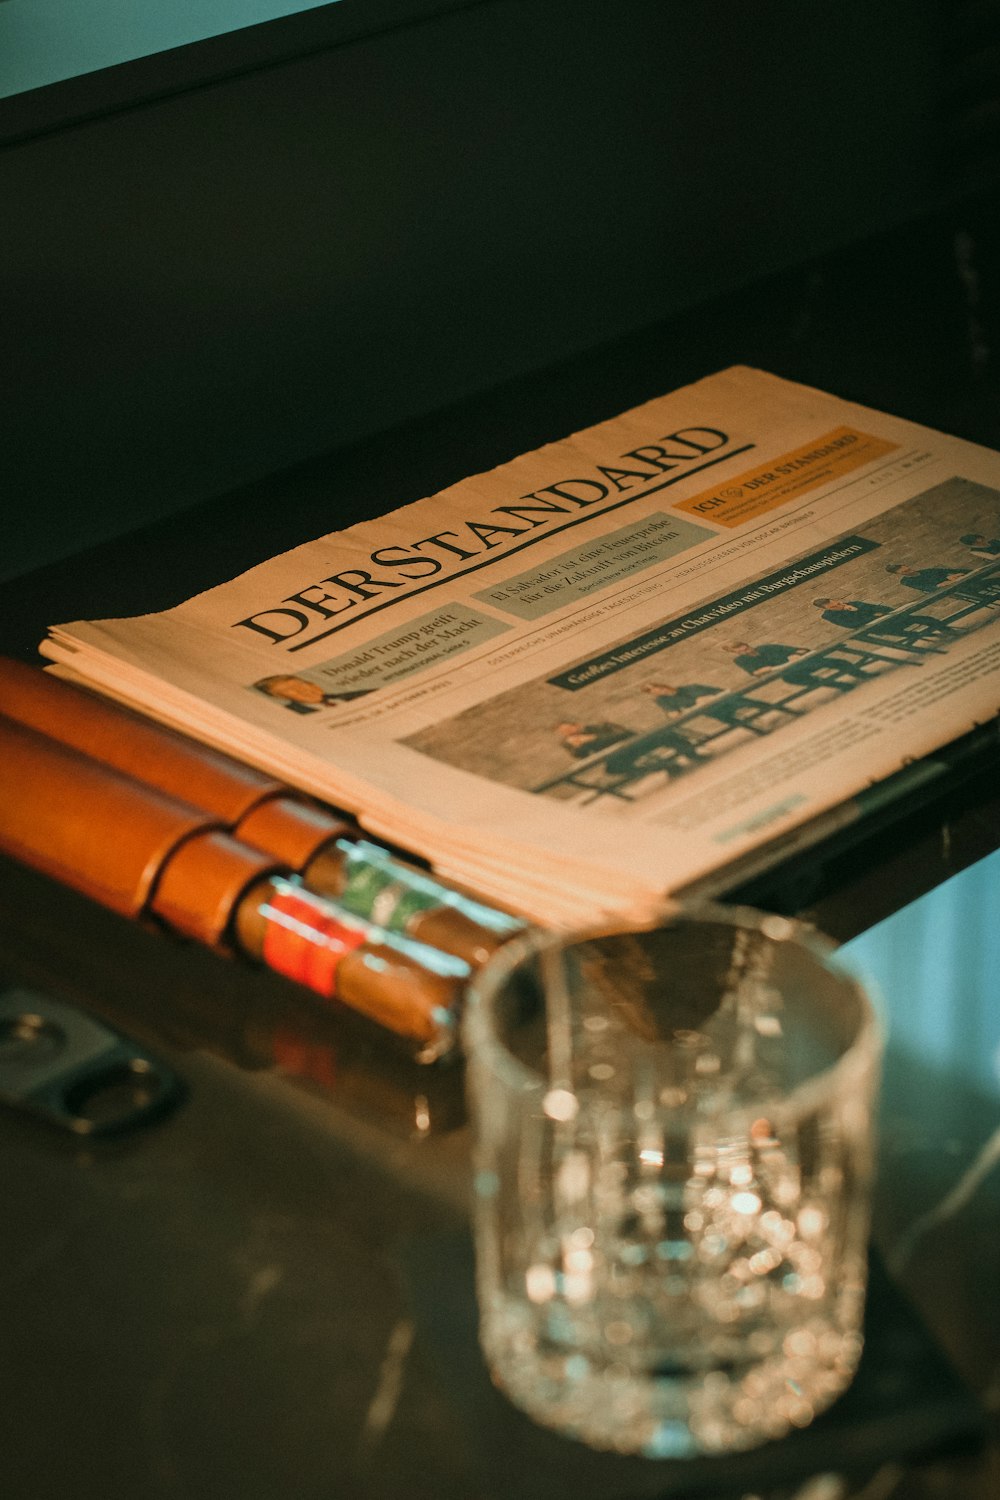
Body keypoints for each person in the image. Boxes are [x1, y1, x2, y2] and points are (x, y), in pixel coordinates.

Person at [641, 679, 773, 733]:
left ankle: (771, 710)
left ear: (662, 685)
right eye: (653, 691)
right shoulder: (664, 701)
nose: (658, 691)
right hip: (712, 711)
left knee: (738, 701)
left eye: (657, 687)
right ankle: (756, 728)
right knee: (719, 715)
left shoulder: (691, 687)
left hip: (722, 702)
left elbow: (719, 691)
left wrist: (707, 697)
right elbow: (674, 714)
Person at [811, 596, 959, 642]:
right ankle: (928, 636)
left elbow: (883, 609)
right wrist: (855, 613)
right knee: (908, 634)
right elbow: (852, 625)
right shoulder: (829, 616)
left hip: (892, 619)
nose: (838, 606)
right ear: (825, 609)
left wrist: (858, 609)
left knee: (924, 618)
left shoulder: (854, 603)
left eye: (837, 603)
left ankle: (947, 630)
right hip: (880, 627)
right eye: (834, 607)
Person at [885, 562, 1000, 605]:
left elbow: (950, 571)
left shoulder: (926, 571)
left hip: (964, 583)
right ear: (899, 574)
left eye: (908, 568)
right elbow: (925, 588)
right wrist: (938, 585)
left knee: (995, 580)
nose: (910, 571)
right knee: (981, 586)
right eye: (906, 572)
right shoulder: (906, 581)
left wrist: (956, 574)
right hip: (958, 591)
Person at [254, 674, 372, 714]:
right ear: (281, 698)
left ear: (313, 684)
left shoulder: (361, 693)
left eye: (300, 684)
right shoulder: (297, 716)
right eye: (289, 690)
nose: (301, 690)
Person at [556, 720, 633, 758]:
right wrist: (578, 747)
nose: (568, 733)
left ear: (577, 726)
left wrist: (593, 737)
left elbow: (622, 735)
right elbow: (583, 756)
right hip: (612, 756)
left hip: (628, 744)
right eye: (564, 732)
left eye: (568, 729)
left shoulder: (596, 728)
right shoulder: (569, 743)